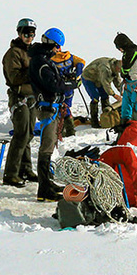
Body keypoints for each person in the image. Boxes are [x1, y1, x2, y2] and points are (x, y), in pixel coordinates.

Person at [31, 28, 85, 201]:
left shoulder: (44, 60)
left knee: (50, 145)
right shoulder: (41, 62)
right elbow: (53, 84)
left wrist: (67, 81)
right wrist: (71, 84)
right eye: (57, 47)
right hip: (47, 108)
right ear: (51, 45)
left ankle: (47, 183)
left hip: (51, 107)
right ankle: (44, 189)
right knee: (46, 147)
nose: (58, 50)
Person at [1, 18, 39, 187]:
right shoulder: (13, 53)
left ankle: (26, 168)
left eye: (32, 34)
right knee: (21, 134)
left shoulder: (32, 52)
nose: (29, 38)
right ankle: (11, 173)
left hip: (32, 97)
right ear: (19, 34)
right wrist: (33, 72)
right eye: (26, 34)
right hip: (19, 97)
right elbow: (14, 77)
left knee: (29, 133)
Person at [81, 56, 123, 126]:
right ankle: (94, 122)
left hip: (99, 78)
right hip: (89, 78)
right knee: (95, 98)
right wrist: (114, 95)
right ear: (117, 67)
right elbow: (105, 83)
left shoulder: (115, 68)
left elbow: (117, 80)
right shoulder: (105, 68)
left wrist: (121, 91)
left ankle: (106, 118)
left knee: (105, 96)